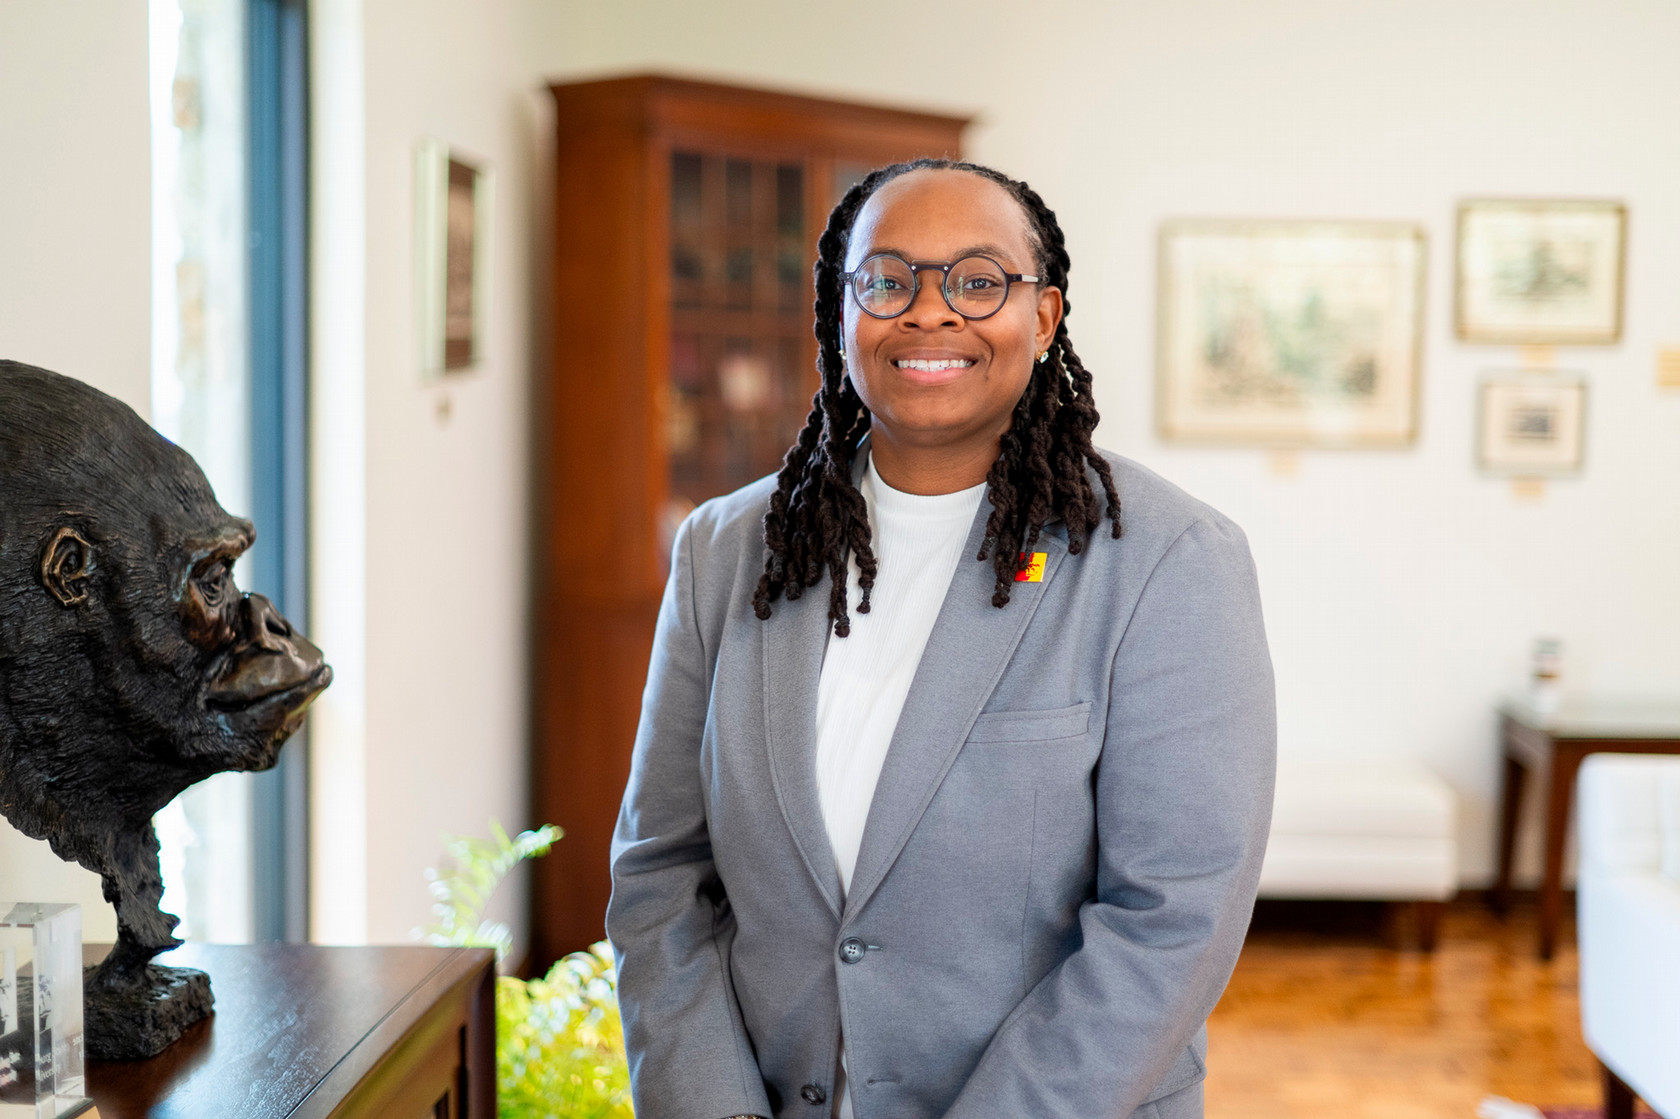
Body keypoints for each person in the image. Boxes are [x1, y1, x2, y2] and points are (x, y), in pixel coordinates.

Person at [607, 159, 1276, 1119]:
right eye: (887, 279)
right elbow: (661, 873)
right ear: (843, 315)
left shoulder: (1169, 561)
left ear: (1043, 319)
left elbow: (1173, 920)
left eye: (977, 280)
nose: (930, 312)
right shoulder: (727, 550)